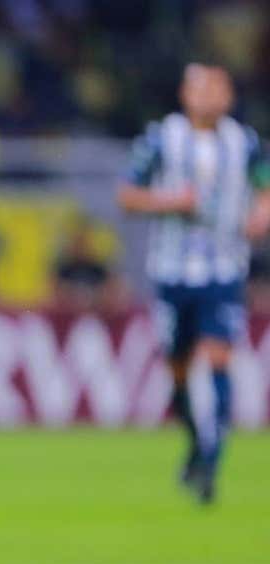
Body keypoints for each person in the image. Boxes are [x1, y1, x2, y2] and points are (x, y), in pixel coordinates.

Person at [118, 63, 270, 504]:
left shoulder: (244, 143)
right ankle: (194, 443)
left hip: (225, 271)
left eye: (219, 89)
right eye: (202, 89)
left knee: (219, 358)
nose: (211, 97)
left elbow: (264, 187)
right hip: (171, 271)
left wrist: (262, 213)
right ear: (186, 95)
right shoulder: (161, 138)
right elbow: (128, 195)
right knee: (179, 370)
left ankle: (210, 462)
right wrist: (170, 201)